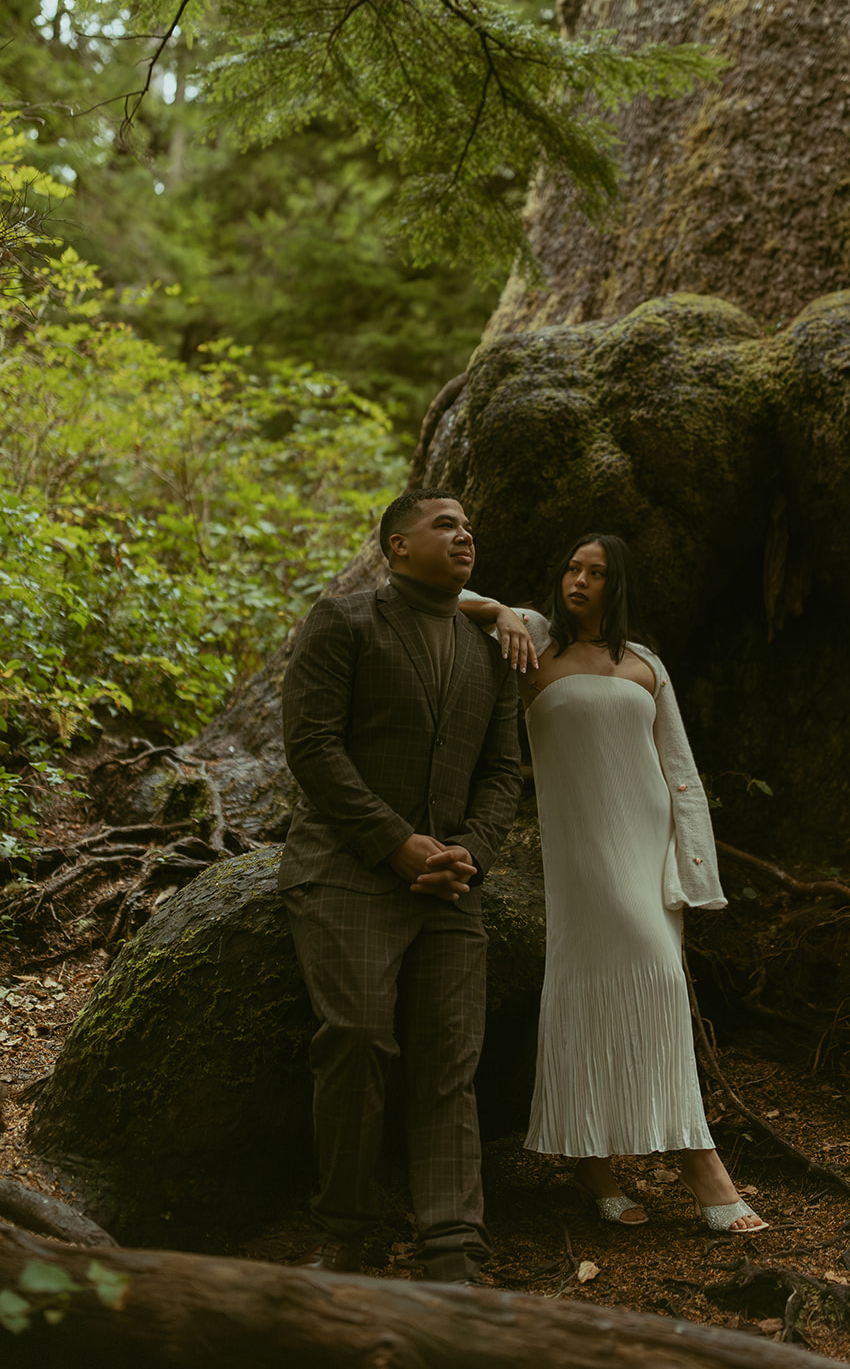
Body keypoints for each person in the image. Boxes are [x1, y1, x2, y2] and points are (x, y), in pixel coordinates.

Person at [459, 534, 767, 1234]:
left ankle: (593, 1165)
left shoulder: (645, 664)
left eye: (595, 573)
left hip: (645, 845)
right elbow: (436, 593)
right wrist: (499, 612)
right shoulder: (533, 642)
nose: (579, 579)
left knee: (655, 982)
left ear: (616, 585)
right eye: (570, 567)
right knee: (619, 981)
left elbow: (679, 770)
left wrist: (691, 871)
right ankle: (697, 1162)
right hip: (583, 848)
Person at [279, 489, 523, 1280]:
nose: (464, 536)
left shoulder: (489, 649)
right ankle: (341, 1227)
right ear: (396, 547)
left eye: (469, 528)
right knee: (354, 1039)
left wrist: (469, 853)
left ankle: (452, 1245)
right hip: (347, 872)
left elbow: (502, 770)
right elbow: (312, 744)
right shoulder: (342, 622)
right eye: (444, 525)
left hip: (453, 886)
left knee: (451, 1059)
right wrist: (394, 844)